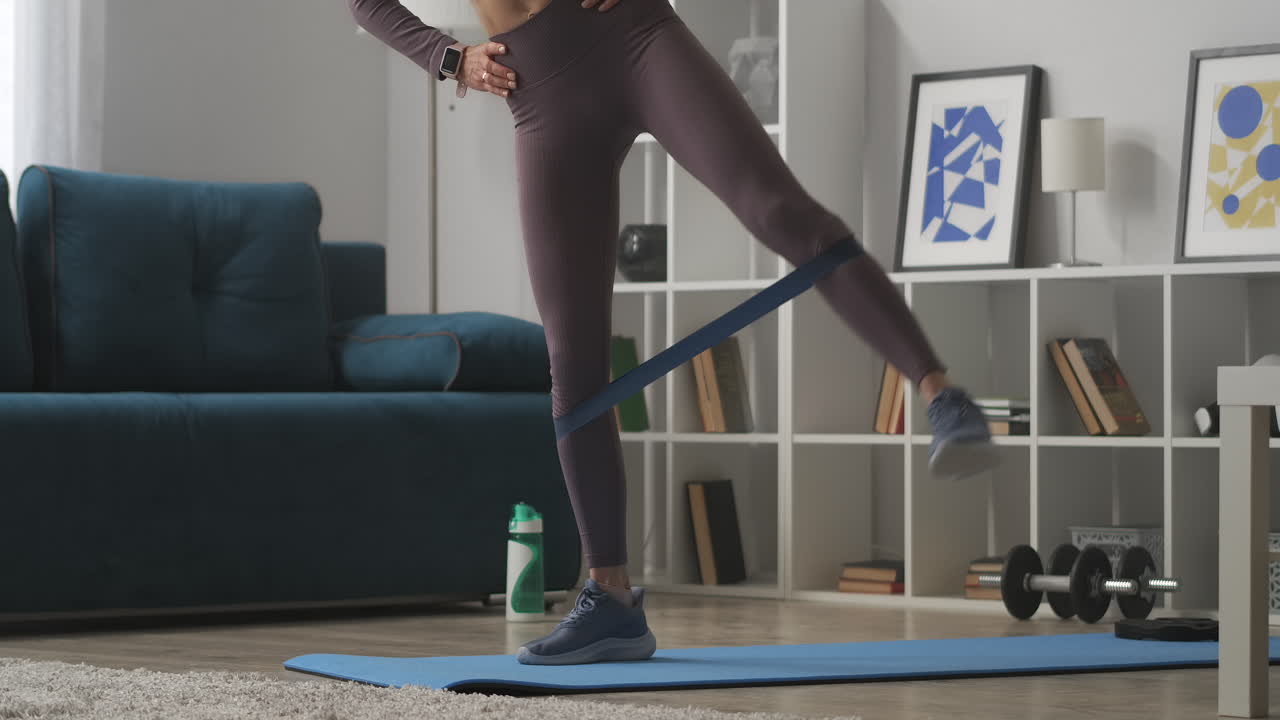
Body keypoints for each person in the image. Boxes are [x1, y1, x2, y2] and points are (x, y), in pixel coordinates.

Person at [347, 0, 1001, 667]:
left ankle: (939, 393)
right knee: (572, 357)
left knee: (776, 208)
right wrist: (448, 58)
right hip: (537, 84)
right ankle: (611, 600)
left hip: (633, 35)